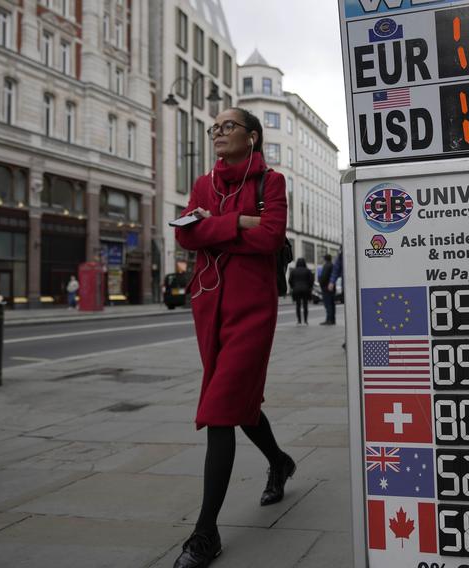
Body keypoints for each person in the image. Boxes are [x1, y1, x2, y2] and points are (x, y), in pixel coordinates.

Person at [173, 107, 295, 568]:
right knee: (241, 405)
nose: (218, 133)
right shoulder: (204, 184)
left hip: (252, 310)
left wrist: (215, 229)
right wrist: (240, 223)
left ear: (253, 136)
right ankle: (280, 461)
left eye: (228, 127)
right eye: (214, 128)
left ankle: (205, 533)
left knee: (221, 408)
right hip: (209, 309)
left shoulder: (272, 182)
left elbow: (271, 237)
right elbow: (186, 237)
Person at [288, 258, 314, 325]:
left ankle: (299, 321)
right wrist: (309, 287)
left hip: (296, 289)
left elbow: (290, 280)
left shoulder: (293, 271)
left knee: (298, 305)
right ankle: (305, 321)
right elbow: (311, 280)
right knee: (305, 305)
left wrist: (293, 287)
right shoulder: (308, 271)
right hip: (306, 289)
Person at [319, 253, 335, 325]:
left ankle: (329, 320)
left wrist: (321, 284)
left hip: (326, 288)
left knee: (328, 304)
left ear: (325, 259)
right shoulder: (332, 265)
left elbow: (323, 277)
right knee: (331, 304)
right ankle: (332, 320)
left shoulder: (326, 266)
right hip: (331, 287)